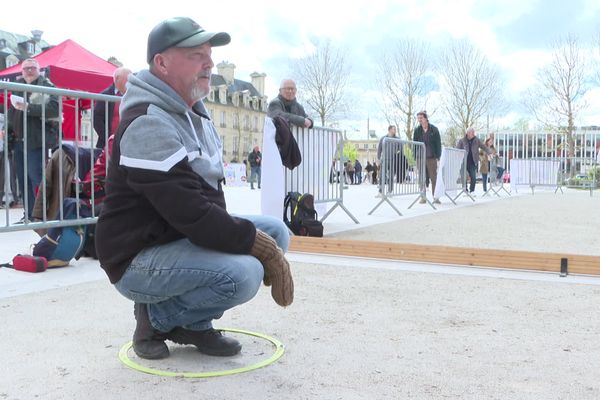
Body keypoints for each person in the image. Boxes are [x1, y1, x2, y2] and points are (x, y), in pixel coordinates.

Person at [95, 17, 294, 360]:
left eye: (209, 54)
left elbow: (207, 202)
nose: (210, 63)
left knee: (276, 231)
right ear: (162, 62)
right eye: (196, 54)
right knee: (244, 274)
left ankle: (194, 323)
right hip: (138, 256)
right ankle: (155, 318)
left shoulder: (193, 113)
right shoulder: (148, 123)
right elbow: (192, 213)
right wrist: (258, 248)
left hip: (176, 237)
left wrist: (259, 242)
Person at [5, 58, 59, 221]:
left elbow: (54, 108)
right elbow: (12, 113)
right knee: (22, 179)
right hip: (19, 140)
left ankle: (41, 214)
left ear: (39, 70)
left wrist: (29, 107)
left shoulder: (46, 86)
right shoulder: (18, 87)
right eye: (25, 68)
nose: (28, 71)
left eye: (32, 68)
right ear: (21, 71)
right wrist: (5, 129)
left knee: (36, 178)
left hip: (37, 140)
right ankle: (28, 215)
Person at [93, 67, 132, 149]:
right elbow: (96, 119)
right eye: (128, 79)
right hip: (106, 145)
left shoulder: (132, 96)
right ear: (117, 79)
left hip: (126, 144)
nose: (130, 82)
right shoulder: (105, 95)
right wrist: (108, 139)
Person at [413, 111, 441, 204]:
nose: (419, 120)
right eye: (418, 118)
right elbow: (414, 144)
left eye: (421, 118)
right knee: (421, 177)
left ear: (425, 118)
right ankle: (423, 197)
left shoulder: (434, 129)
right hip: (420, 157)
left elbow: (438, 144)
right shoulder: (417, 130)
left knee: (434, 177)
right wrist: (414, 156)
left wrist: (438, 156)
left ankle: (435, 197)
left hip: (431, 157)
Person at [456, 127, 492, 194]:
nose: (473, 133)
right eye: (472, 132)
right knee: (463, 176)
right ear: (467, 133)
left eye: (473, 132)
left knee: (473, 177)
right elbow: (457, 149)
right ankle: (465, 190)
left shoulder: (476, 140)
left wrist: (489, 152)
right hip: (463, 162)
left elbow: (483, 146)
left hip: (473, 161)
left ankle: (472, 190)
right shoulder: (462, 140)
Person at [377, 125, 407, 192]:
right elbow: (379, 149)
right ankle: (380, 190)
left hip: (393, 160)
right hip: (384, 159)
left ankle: (390, 190)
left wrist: (398, 154)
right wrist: (378, 159)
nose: (395, 130)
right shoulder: (383, 138)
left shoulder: (397, 139)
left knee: (391, 176)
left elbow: (401, 149)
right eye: (394, 129)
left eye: (395, 129)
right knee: (382, 175)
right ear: (389, 130)